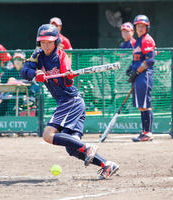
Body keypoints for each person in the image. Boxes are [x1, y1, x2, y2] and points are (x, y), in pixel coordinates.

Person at [21, 24, 119, 180]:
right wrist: (36, 73)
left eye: (49, 42)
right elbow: (24, 72)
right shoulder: (37, 55)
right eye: (43, 42)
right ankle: (107, 164)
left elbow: (66, 84)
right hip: (68, 103)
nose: (45, 45)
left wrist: (68, 77)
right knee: (72, 149)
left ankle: (88, 147)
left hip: (71, 101)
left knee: (48, 135)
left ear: (56, 41)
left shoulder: (62, 56)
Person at [126, 15, 156, 142]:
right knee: (141, 105)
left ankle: (148, 133)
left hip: (144, 75)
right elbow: (138, 58)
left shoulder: (146, 40)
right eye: (138, 26)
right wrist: (131, 68)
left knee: (145, 104)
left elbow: (150, 60)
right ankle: (144, 131)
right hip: (139, 75)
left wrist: (136, 72)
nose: (140, 28)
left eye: (143, 26)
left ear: (147, 27)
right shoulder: (138, 40)